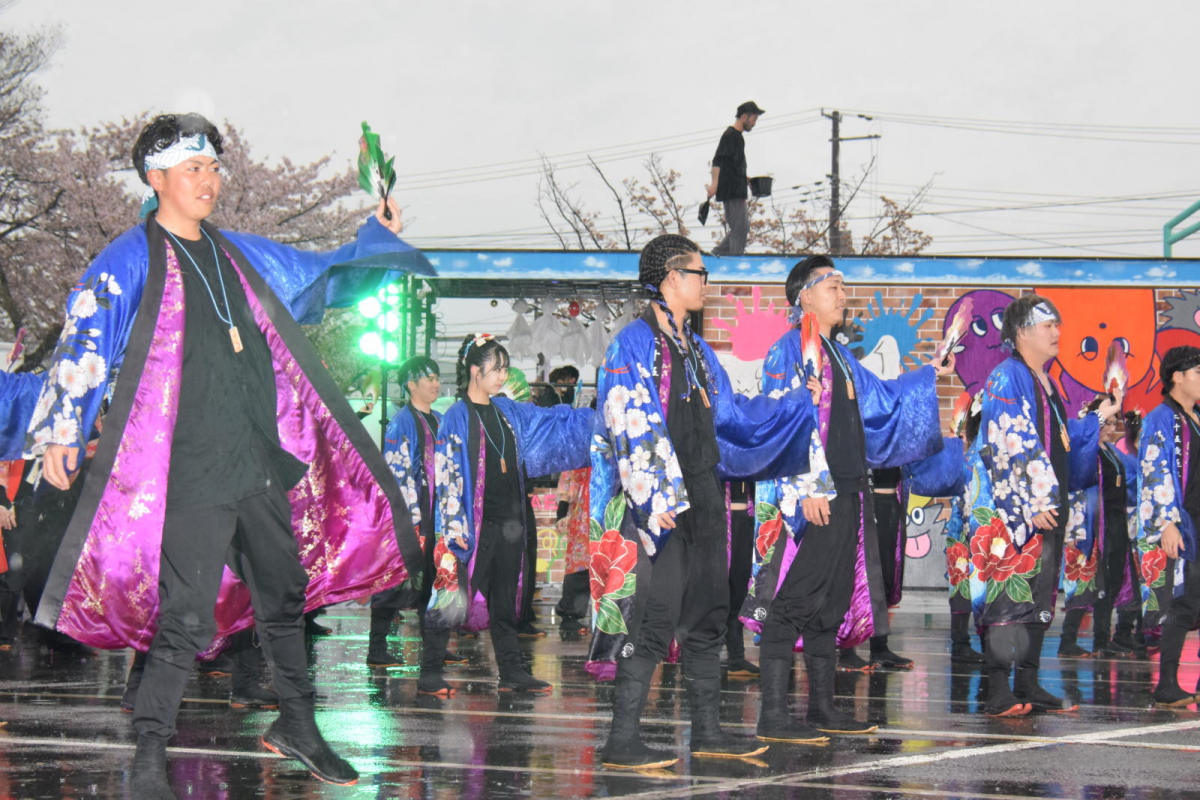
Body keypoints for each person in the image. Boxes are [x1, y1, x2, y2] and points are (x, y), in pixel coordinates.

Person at [24, 113, 428, 794]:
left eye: (213, 167)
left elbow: (322, 276)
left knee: (285, 592)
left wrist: (376, 235)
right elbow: (85, 337)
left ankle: (298, 723)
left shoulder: (238, 253)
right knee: (184, 616)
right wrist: (64, 428)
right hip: (187, 464)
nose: (209, 181)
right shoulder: (129, 257)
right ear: (156, 179)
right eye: (193, 169)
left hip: (254, 456)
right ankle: (149, 752)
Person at [587, 234, 817, 769]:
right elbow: (627, 418)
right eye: (700, 274)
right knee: (654, 617)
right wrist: (654, 497)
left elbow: (734, 415)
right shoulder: (633, 344)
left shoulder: (695, 349)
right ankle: (622, 741)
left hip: (705, 496)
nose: (705, 284)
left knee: (710, 615)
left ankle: (709, 731)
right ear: (671, 279)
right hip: (660, 503)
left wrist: (799, 402)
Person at [743, 255, 953, 741]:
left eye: (843, 286)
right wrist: (810, 486)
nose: (843, 295)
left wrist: (929, 375)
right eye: (833, 285)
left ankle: (822, 709)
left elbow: (881, 400)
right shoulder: (786, 352)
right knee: (790, 602)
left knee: (830, 605)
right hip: (812, 497)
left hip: (849, 491)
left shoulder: (838, 354)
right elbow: (784, 423)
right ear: (804, 296)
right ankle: (773, 715)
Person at [966, 294, 1117, 716]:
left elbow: (1063, 442)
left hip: (1042, 507)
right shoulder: (1006, 377)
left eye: (1057, 325)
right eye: (1047, 325)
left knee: (1037, 598)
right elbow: (1009, 440)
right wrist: (1033, 499)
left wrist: (1097, 420)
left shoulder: (1047, 383)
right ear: (1020, 332)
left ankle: (1028, 683)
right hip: (1012, 510)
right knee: (1005, 595)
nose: (1056, 332)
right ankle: (998, 689)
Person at [422, 334, 592, 695]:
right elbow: (448, 473)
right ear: (474, 370)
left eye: (504, 368)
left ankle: (512, 672)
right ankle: (429, 672)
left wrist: (593, 417)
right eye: (495, 369)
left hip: (509, 521)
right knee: (451, 594)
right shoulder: (457, 415)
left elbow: (551, 424)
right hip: (472, 524)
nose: (502, 376)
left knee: (506, 600)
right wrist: (454, 528)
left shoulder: (507, 412)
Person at [375, 356, 450, 669]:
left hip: (438, 514)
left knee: (436, 581)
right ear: (410, 383)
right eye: (428, 378)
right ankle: (376, 647)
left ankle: (434, 646)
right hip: (412, 514)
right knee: (395, 581)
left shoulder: (440, 419)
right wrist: (406, 518)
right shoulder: (401, 422)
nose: (435, 384)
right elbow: (394, 473)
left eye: (436, 377)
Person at [1136, 346, 1200, 706]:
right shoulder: (1162, 418)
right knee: (1184, 603)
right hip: (1183, 522)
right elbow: (1154, 470)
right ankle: (1167, 684)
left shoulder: (1196, 417)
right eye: (1198, 372)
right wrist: (1166, 522)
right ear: (1177, 376)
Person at [1058, 397, 1139, 658]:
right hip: (1090, 526)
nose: (1112, 426)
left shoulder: (1113, 452)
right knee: (1083, 581)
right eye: (1108, 421)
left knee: (1111, 581)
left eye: (1115, 422)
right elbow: (1074, 491)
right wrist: (1072, 531)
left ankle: (1103, 640)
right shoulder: (1086, 452)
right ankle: (1067, 641)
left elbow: (1134, 480)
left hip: (1114, 524)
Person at [707, 101, 763, 257]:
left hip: (737, 187)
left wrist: (744, 178)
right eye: (754, 119)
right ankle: (734, 261)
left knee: (741, 228)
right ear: (745, 116)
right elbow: (718, 161)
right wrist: (714, 184)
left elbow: (730, 164)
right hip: (731, 190)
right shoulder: (730, 135)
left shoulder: (738, 137)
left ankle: (716, 254)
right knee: (740, 228)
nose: (754, 123)